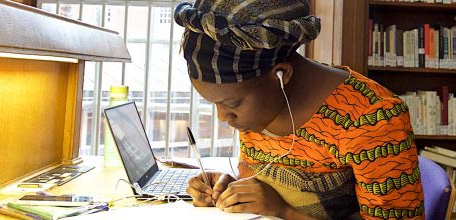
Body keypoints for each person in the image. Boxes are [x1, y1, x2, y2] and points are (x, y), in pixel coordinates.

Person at [174, 1, 424, 219]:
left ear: (281, 75)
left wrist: (285, 212)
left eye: (231, 104)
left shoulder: (372, 119)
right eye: (214, 103)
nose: (222, 118)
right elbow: (267, 184)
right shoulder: (263, 103)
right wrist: (233, 189)